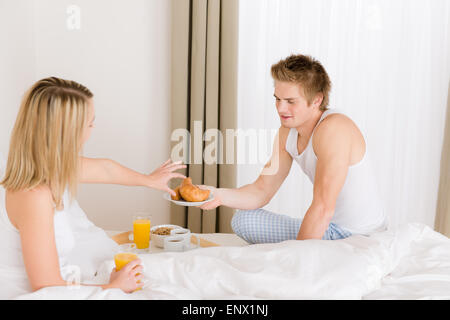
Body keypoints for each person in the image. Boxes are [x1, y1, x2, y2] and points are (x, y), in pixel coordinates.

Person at [0, 77, 186, 296]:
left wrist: (149, 180)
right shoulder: (33, 195)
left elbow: (106, 169)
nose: (93, 127)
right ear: (68, 132)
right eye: (89, 123)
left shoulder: (49, 166)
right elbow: (46, 285)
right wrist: (113, 287)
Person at [199, 54, 387, 243]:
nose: (280, 109)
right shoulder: (287, 132)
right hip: (329, 228)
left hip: (359, 236)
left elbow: (323, 208)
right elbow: (262, 190)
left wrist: (297, 258)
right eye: (277, 99)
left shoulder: (334, 129)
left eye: (290, 101)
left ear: (316, 100)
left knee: (309, 229)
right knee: (243, 219)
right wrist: (216, 194)